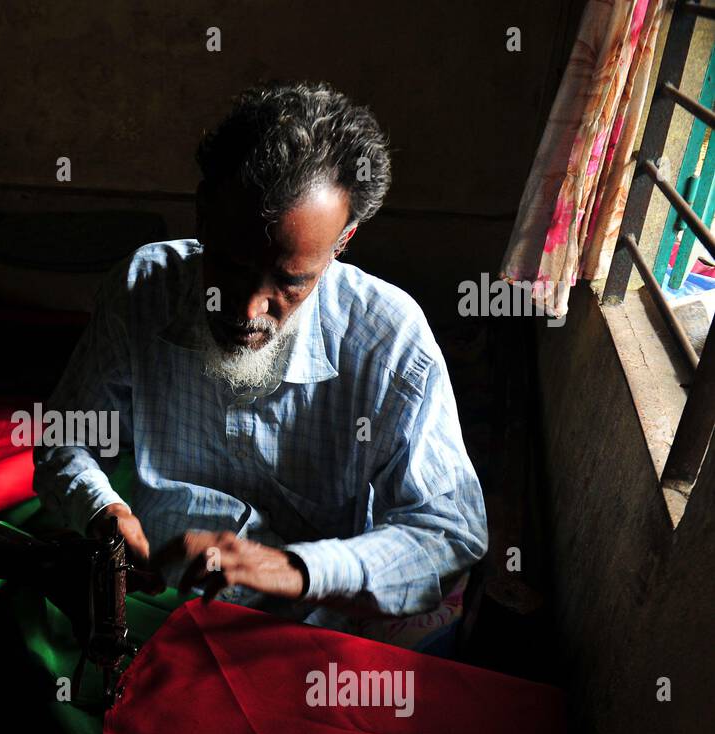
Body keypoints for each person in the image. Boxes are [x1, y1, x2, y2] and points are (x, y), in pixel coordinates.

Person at [33, 80, 487, 647]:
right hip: (155, 591)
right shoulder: (141, 289)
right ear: (202, 213)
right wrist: (104, 512)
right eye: (229, 264)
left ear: (342, 242)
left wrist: (294, 570)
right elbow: (66, 438)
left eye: (289, 282)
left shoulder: (389, 341)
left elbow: (448, 533)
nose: (248, 309)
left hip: (315, 618)